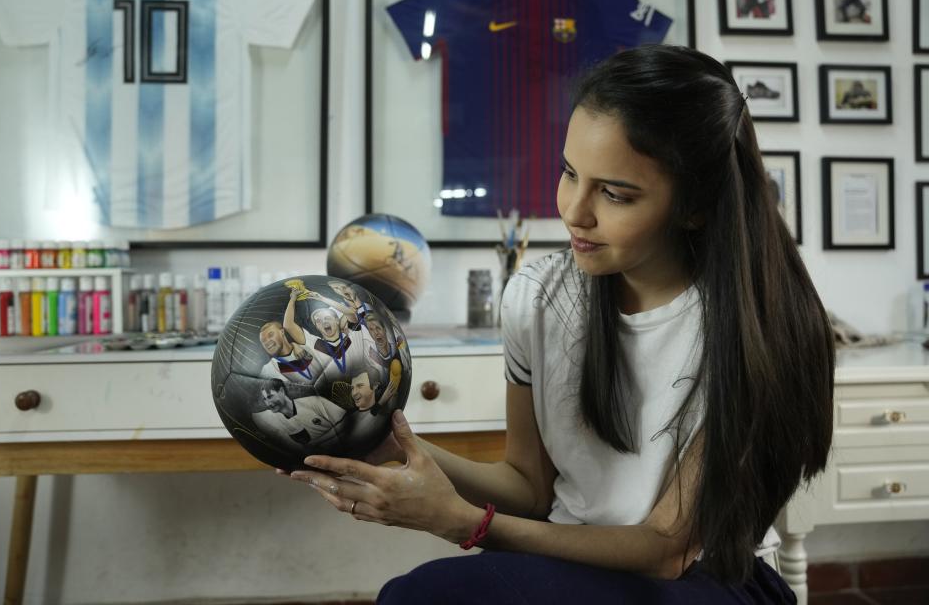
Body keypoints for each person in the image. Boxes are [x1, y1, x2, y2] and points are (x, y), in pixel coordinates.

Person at [283, 45, 834, 604]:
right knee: (415, 596)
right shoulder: (537, 298)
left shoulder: (756, 327)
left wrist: (461, 523)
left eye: (615, 193)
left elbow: (667, 549)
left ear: (695, 206)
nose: (574, 210)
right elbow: (528, 487)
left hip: (707, 580)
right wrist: (383, 446)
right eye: (570, 173)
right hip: (572, 562)